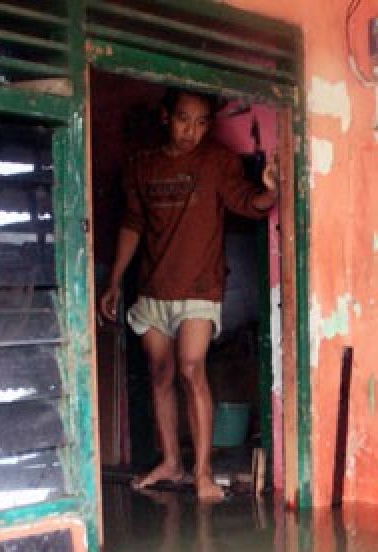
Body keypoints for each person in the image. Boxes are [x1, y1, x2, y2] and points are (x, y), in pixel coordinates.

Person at [100, 88, 278, 501]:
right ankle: (171, 463)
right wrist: (115, 281)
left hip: (199, 287)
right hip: (152, 288)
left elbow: (249, 204)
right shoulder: (141, 165)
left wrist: (271, 190)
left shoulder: (217, 161)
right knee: (160, 374)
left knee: (190, 369)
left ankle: (202, 473)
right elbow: (132, 224)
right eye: (184, 120)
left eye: (200, 123)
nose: (191, 131)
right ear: (166, 116)